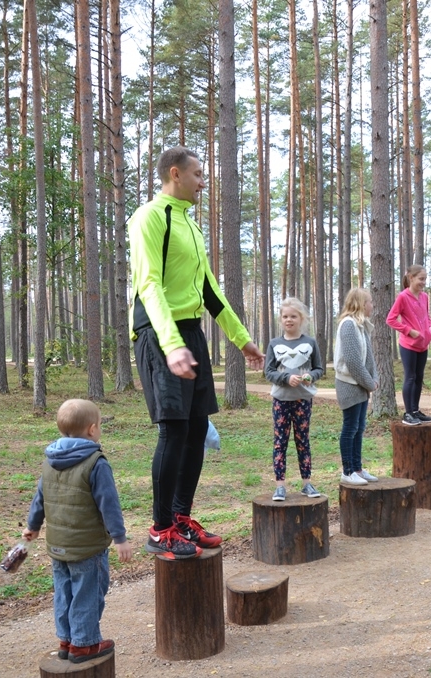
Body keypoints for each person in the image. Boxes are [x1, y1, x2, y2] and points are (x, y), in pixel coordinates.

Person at [128, 146, 264, 560]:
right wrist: (170, 347)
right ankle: (160, 528)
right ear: (175, 174)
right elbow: (148, 284)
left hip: (190, 331)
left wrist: (242, 340)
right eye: (199, 175)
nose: (203, 183)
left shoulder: (190, 225)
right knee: (173, 428)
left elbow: (209, 291)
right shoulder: (150, 216)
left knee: (196, 427)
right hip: (157, 329)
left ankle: (181, 517)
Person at [22, 399, 133, 664]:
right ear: (93, 429)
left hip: (58, 546)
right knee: (87, 593)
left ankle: (67, 640)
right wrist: (119, 537)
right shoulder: (96, 462)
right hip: (87, 548)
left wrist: (32, 527)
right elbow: (109, 503)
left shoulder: (51, 461)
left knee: (64, 592)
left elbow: (40, 498)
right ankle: (84, 645)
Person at [264, 297, 325, 501]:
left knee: (302, 440)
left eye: (293, 316)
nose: (288, 320)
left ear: (302, 319)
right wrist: (285, 378)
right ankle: (280, 486)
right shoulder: (274, 343)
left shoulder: (310, 343)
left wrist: (311, 377)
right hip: (281, 400)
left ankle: (307, 483)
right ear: (281, 320)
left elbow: (319, 368)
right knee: (280, 441)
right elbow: (269, 372)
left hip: (303, 400)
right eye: (285, 316)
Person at [334, 288, 380, 486]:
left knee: (360, 427)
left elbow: (369, 357)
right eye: (369, 302)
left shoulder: (362, 326)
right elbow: (353, 362)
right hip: (348, 384)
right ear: (361, 304)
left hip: (360, 385)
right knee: (350, 427)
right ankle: (347, 470)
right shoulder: (348, 325)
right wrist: (369, 383)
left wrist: (374, 378)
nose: (372, 305)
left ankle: (357, 468)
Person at [387, 264, 431, 426]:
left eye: (425, 279)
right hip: (408, 345)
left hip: (423, 344)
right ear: (411, 278)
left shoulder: (425, 297)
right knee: (410, 377)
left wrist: (430, 327)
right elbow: (390, 319)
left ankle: (415, 411)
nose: (423, 282)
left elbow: (427, 316)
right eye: (421, 279)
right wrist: (409, 331)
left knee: (419, 377)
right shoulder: (403, 297)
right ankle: (408, 414)